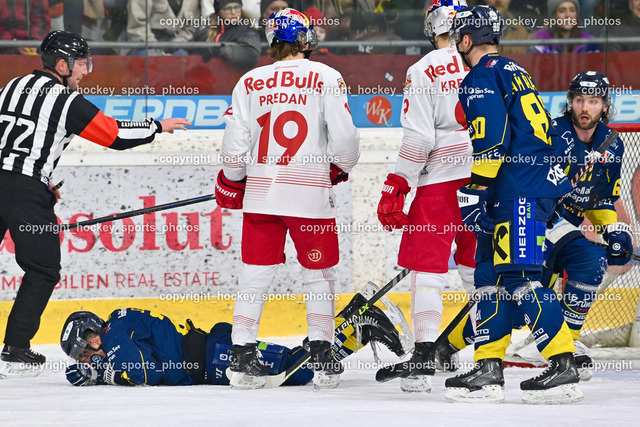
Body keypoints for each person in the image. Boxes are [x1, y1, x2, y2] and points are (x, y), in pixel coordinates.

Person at [0, 30, 191, 377]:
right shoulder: (64, 99)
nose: (86, 70)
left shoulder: (10, 87)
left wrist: (40, 180)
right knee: (42, 269)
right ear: (62, 64)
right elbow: (114, 135)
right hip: (23, 188)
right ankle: (15, 350)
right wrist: (157, 126)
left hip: (15, 180)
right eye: (82, 63)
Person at [215, 8, 359, 390]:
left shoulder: (249, 81)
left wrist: (233, 181)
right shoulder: (327, 77)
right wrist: (340, 167)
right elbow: (345, 141)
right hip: (309, 197)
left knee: (254, 274)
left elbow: (234, 148)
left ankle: (243, 357)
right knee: (318, 275)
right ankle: (323, 355)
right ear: (305, 39)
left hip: (261, 197)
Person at [444, 5, 582, 404]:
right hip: (519, 188)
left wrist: (474, 190)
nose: (456, 44)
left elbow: (493, 140)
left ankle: (562, 364)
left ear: (467, 39)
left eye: (459, 37)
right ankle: (488, 368)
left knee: (521, 280)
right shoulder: (515, 69)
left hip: (516, 190)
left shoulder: (480, 76)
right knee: (489, 279)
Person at [376, 0, 476, 393]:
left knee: (429, 273)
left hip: (439, 182)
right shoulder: (492, 65)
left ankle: (421, 360)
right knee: (479, 273)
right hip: (488, 182)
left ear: (431, 28)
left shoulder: (422, 69)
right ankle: (487, 360)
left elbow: (418, 139)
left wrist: (397, 184)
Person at [508, 72, 631, 380]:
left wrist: (613, 231)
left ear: (605, 105)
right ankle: (454, 347)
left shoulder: (613, 144)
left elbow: (602, 198)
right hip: (536, 219)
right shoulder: (551, 132)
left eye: (592, 100)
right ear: (570, 103)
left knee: (591, 262)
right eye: (578, 100)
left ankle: (565, 341)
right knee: (517, 303)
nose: (584, 107)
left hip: (567, 228)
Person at [60, 294, 407, 386]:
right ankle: (356, 320)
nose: (91, 359)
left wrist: (102, 373)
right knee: (296, 363)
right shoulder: (118, 329)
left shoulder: (116, 335)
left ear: (92, 336)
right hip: (212, 352)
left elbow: (144, 373)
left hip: (214, 358)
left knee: (294, 370)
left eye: (86, 353)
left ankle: (361, 325)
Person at [193, 0, 261, 69]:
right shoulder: (206, 32)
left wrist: (221, 50)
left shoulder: (247, 31)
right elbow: (194, 55)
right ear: (219, 11)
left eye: (237, 7)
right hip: (211, 75)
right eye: (228, 9)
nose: (233, 12)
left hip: (235, 77)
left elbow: (251, 56)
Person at [126, 0, 202, 56]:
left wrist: (173, 48)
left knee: (181, 58)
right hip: (143, 45)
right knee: (148, 63)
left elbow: (189, 29)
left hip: (174, 46)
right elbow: (137, 27)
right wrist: (157, 53)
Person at [530, 0, 600, 53]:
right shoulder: (540, 42)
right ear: (553, 15)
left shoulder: (589, 44)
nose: (568, 15)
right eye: (562, 11)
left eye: (572, 10)